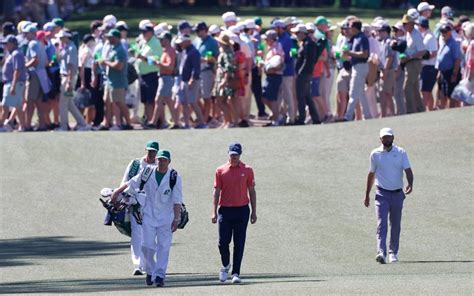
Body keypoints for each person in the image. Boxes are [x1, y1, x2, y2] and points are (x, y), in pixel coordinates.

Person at [112, 149, 183, 287]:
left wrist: (176, 219)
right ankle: (150, 271)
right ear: (157, 160)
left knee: (164, 247)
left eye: (164, 160)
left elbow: (177, 200)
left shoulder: (174, 177)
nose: (161, 162)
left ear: (169, 162)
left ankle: (160, 276)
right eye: (160, 159)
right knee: (146, 246)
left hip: (166, 218)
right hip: (148, 216)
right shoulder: (148, 172)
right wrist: (117, 192)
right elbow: (132, 183)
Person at [365, 127, 414, 264]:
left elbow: (408, 170)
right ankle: (381, 252)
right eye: (384, 137)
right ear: (380, 139)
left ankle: (393, 252)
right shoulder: (375, 154)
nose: (387, 139)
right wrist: (367, 194)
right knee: (382, 224)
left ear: (393, 138)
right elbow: (371, 174)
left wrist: (410, 183)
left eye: (389, 137)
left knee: (395, 224)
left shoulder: (400, 152)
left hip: (397, 194)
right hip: (381, 193)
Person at [212, 142, 257, 284]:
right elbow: (216, 192)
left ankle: (236, 273)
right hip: (225, 210)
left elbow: (251, 191)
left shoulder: (247, 170)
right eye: (232, 154)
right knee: (222, 242)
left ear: (240, 154)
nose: (234, 157)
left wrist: (254, 212)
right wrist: (213, 212)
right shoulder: (220, 170)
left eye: (236, 154)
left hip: (242, 210)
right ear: (228, 154)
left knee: (239, 243)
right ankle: (226, 265)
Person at [120, 140, 159, 276]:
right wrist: (123, 197)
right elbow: (125, 182)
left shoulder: (160, 166)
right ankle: (138, 265)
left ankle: (149, 263)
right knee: (137, 234)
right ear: (145, 150)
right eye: (149, 151)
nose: (151, 154)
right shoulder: (135, 164)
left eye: (154, 151)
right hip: (135, 203)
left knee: (150, 235)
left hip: (153, 206)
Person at [56, 30, 90, 131]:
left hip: (68, 77)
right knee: (69, 103)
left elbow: (71, 66)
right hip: (65, 77)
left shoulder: (71, 48)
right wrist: (58, 48)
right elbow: (59, 59)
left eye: (61, 37)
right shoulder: (65, 47)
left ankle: (64, 126)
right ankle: (82, 123)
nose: (60, 39)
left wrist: (69, 82)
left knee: (63, 103)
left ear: (66, 37)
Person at [100, 28, 132, 130]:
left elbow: (119, 66)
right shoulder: (113, 49)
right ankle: (106, 123)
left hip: (118, 81)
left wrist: (106, 62)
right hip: (110, 80)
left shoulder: (120, 50)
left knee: (119, 102)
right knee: (107, 101)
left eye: (111, 37)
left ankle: (128, 123)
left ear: (116, 38)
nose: (109, 39)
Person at [343, 19, 371, 121]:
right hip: (356, 66)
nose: (349, 29)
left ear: (354, 28)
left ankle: (348, 116)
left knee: (353, 92)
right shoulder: (355, 38)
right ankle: (367, 115)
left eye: (350, 27)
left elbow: (365, 54)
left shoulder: (362, 38)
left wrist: (349, 53)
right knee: (360, 93)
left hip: (361, 66)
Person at [177, 34, 206, 129]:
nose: (180, 44)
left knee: (193, 102)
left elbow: (196, 68)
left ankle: (202, 123)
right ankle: (186, 124)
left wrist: (192, 79)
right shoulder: (186, 51)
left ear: (187, 41)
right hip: (183, 79)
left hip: (191, 81)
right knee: (184, 102)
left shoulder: (194, 52)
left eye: (182, 42)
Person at [193, 22, 219, 126]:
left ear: (205, 30)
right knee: (195, 97)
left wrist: (206, 59)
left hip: (207, 71)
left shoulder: (212, 42)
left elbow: (216, 57)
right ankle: (204, 116)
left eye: (199, 31)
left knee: (206, 96)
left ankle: (204, 121)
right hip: (196, 71)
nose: (197, 33)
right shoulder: (196, 41)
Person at [293, 24, 319, 125]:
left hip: (304, 73)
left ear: (302, 34)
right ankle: (315, 118)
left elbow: (307, 60)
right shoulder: (306, 43)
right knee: (307, 96)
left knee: (301, 96)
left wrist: (300, 72)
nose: (296, 35)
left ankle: (301, 118)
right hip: (306, 73)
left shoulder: (308, 44)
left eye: (297, 33)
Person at [136, 20, 161, 127]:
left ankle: (152, 122)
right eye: (142, 32)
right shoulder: (145, 42)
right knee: (145, 100)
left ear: (151, 32)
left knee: (151, 100)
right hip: (143, 75)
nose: (143, 34)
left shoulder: (155, 43)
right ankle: (148, 120)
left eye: (145, 32)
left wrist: (143, 58)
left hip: (152, 75)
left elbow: (157, 60)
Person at [0, 35, 27, 132]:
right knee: (17, 105)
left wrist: (13, 85)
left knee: (5, 105)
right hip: (10, 82)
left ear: (12, 44)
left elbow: (17, 70)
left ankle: (1, 125)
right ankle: (22, 126)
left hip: (14, 82)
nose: (5, 46)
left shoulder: (16, 54)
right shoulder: (11, 54)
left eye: (6, 44)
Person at [401, 14, 426, 114]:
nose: (404, 26)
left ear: (411, 24)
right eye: (403, 24)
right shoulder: (408, 34)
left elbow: (423, 51)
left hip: (414, 63)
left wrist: (410, 57)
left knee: (407, 88)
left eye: (406, 24)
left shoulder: (416, 35)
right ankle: (420, 109)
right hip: (409, 63)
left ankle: (411, 111)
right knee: (414, 88)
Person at [260, 29, 284, 126]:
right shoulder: (272, 48)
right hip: (270, 76)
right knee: (265, 97)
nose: (265, 41)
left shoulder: (276, 48)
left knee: (272, 98)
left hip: (274, 76)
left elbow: (279, 63)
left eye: (267, 39)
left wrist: (270, 68)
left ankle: (276, 119)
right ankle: (277, 115)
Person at [436, 24, 462, 108]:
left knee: (451, 95)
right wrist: (439, 72)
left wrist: (454, 74)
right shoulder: (444, 43)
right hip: (444, 72)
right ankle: (444, 110)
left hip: (451, 72)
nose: (443, 34)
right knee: (443, 93)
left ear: (450, 32)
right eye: (442, 32)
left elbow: (457, 60)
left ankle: (452, 110)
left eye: (445, 32)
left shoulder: (453, 44)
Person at [418, 17, 438, 111]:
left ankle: (426, 109)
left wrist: (420, 57)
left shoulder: (430, 37)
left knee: (426, 90)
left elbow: (433, 53)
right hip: (424, 66)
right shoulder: (424, 35)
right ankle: (429, 109)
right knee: (426, 91)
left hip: (429, 67)